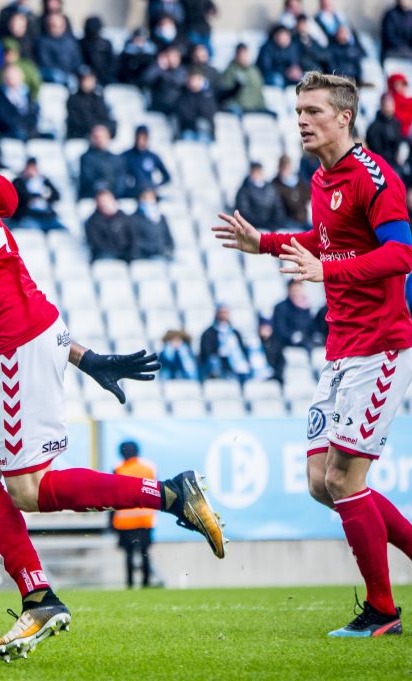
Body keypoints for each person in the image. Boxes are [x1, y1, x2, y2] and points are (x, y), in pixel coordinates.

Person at [0, 74, 224, 660]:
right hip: (10, 334)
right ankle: (39, 598)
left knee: (27, 490)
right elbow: (7, 201)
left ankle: (170, 493)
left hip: (12, 342)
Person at [215, 71, 412, 637]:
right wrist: (268, 244)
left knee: (347, 482)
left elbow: (400, 253)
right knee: (319, 482)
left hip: (381, 346)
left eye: (312, 110)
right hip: (341, 348)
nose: (301, 119)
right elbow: (327, 239)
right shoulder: (323, 178)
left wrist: (326, 271)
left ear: (343, 116)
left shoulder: (374, 176)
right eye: (298, 109)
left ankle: (382, 612)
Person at [112, 441, 158, 589]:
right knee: (145, 553)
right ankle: (146, 583)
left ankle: (130, 583)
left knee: (129, 555)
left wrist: (110, 521)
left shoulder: (118, 469)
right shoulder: (148, 469)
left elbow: (111, 496)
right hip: (145, 519)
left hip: (124, 521)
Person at [198, 304, 251, 382]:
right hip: (221, 365)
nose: (223, 315)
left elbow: (242, 349)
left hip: (238, 365)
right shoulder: (209, 333)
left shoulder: (235, 333)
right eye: (221, 312)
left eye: (226, 313)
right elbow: (206, 353)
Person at [11, 158, 63, 231]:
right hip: (27, 217)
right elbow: (22, 197)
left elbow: (56, 196)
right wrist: (41, 195)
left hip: (46, 217)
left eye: (34, 168)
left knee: (63, 231)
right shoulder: (19, 182)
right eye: (30, 168)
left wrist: (42, 195)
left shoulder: (44, 181)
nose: (31, 171)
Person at [235, 162, 287, 232]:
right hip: (253, 228)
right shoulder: (244, 190)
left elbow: (278, 209)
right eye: (255, 172)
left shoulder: (271, 189)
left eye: (259, 172)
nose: (257, 175)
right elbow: (244, 212)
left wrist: (274, 224)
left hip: (271, 227)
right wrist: (259, 224)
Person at [120, 126, 171, 197]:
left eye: (144, 138)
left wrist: (155, 185)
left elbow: (167, 177)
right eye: (139, 138)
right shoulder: (126, 156)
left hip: (149, 192)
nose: (141, 141)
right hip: (132, 192)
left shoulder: (152, 156)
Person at [79, 124, 124, 199]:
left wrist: (113, 193)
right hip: (94, 196)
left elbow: (121, 179)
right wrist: (103, 193)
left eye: (102, 137)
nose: (100, 140)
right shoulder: (86, 158)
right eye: (96, 137)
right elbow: (88, 180)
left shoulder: (117, 158)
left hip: (115, 196)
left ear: (108, 137)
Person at [128, 188, 174, 261]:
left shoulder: (161, 218)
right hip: (144, 256)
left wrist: (167, 249)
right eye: (145, 198)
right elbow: (135, 240)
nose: (148, 201)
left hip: (161, 254)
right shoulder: (133, 218)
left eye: (151, 198)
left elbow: (168, 237)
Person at [85, 188, 131, 261]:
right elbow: (96, 243)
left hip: (124, 252)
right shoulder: (92, 221)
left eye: (108, 200)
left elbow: (131, 236)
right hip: (105, 253)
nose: (105, 203)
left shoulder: (122, 216)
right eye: (102, 201)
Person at [272, 280, 317, 350]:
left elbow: (311, 326)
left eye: (298, 290)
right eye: (294, 290)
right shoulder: (280, 307)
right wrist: (292, 336)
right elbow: (280, 329)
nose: (296, 293)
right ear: (288, 290)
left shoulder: (306, 306)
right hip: (288, 344)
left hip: (305, 340)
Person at [272, 154, 312, 231]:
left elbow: (308, 198)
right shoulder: (275, 184)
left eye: (287, 167)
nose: (285, 170)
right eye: (283, 167)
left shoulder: (300, 182)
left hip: (303, 221)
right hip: (287, 222)